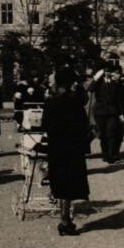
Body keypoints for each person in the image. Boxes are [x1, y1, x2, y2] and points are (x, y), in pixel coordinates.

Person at [42, 67, 90, 236]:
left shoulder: (51, 101)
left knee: (61, 183)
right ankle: (65, 221)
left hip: (56, 147)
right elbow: (84, 125)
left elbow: (45, 125)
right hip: (73, 148)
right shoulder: (75, 102)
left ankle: (65, 220)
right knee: (70, 184)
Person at [91, 65, 124, 163]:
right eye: (105, 72)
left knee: (111, 133)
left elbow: (118, 100)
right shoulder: (98, 83)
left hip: (112, 111)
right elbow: (91, 89)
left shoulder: (115, 84)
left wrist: (121, 114)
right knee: (103, 135)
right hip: (100, 111)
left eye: (109, 72)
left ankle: (111, 156)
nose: (107, 73)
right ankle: (105, 154)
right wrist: (97, 77)